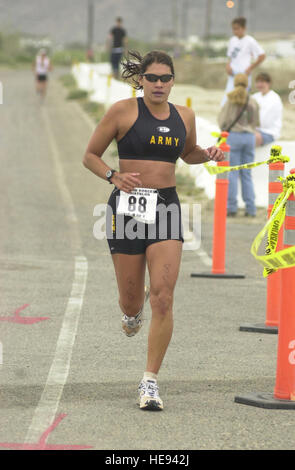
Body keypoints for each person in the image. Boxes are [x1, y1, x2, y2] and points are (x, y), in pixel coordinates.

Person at [83, 50, 224, 411]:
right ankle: (133, 310)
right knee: (131, 302)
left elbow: (187, 152)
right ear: (141, 79)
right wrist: (113, 175)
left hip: (166, 207)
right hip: (127, 208)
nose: (159, 84)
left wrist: (207, 154)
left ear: (173, 80)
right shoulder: (122, 111)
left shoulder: (185, 115)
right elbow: (90, 156)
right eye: (152, 78)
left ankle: (150, 382)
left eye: (166, 78)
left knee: (163, 296)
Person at [218, 73, 260, 218]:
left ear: (235, 83)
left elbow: (222, 120)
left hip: (234, 137)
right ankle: (251, 208)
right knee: (247, 174)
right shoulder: (253, 101)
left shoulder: (230, 99)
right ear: (247, 84)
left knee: (233, 173)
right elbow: (256, 122)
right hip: (249, 138)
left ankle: (232, 208)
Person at [222, 17, 265, 106]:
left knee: (243, 100)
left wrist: (250, 67)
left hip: (244, 75)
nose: (235, 31)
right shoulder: (232, 40)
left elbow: (262, 56)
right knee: (227, 99)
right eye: (233, 29)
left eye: (237, 29)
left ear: (244, 28)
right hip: (233, 75)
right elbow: (230, 56)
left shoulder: (250, 41)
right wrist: (228, 65)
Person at [252, 72, 283, 147]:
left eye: (262, 82)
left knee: (250, 138)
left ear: (269, 83)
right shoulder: (255, 96)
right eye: (258, 82)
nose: (259, 85)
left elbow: (265, 121)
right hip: (255, 130)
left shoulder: (274, 98)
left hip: (269, 133)